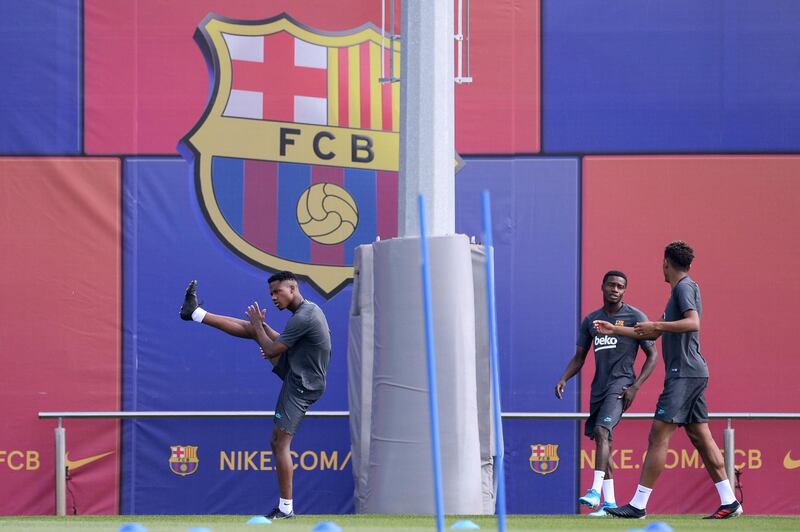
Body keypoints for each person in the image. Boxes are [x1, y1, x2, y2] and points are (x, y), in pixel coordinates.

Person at [596, 241, 743, 520]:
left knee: (658, 435)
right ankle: (730, 501)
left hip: (684, 374)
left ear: (666, 262)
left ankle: (638, 505)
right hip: (693, 373)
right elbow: (649, 334)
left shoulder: (684, 287)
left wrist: (657, 325)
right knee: (701, 437)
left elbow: (693, 322)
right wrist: (614, 328)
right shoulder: (679, 291)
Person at [179, 271, 331, 520]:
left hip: (302, 383)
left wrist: (260, 329)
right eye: (270, 293)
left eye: (277, 292)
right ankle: (195, 313)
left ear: (292, 289)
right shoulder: (305, 312)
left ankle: (286, 510)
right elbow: (275, 342)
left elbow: (271, 348)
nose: (273, 297)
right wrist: (258, 328)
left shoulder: (304, 316)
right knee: (253, 329)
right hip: (297, 369)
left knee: (279, 443)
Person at [556, 271, 658, 517]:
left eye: (620, 286)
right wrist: (564, 378)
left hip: (621, 386)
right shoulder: (591, 320)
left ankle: (594, 491)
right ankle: (610, 504)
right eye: (611, 284)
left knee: (603, 431)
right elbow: (580, 357)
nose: (615, 289)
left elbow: (653, 355)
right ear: (602, 286)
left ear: (625, 291)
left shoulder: (635, 316)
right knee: (605, 441)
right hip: (599, 389)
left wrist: (635, 386)